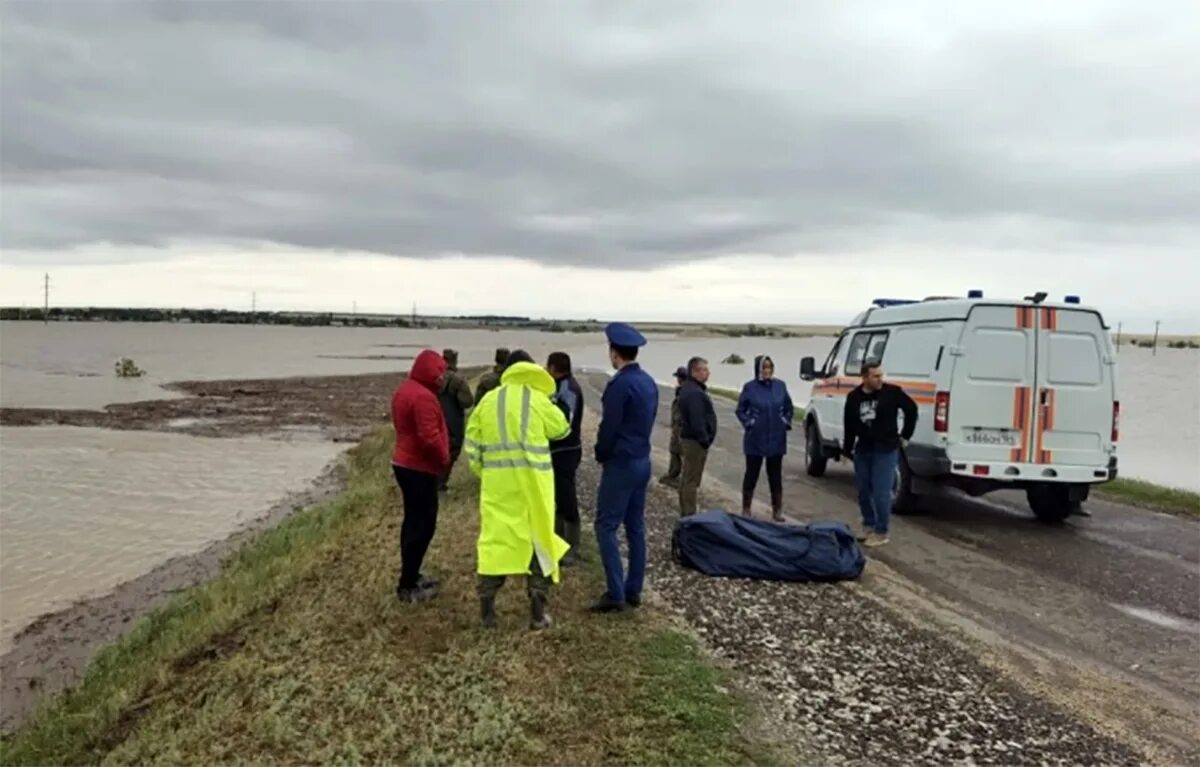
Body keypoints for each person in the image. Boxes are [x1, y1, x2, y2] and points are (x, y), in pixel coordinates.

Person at [465, 355, 571, 630]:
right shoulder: (538, 400)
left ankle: (487, 613)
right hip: (534, 487)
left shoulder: (488, 401)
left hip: (499, 488)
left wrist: (487, 473)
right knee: (538, 543)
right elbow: (561, 429)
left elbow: (473, 446)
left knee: (495, 543)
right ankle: (537, 614)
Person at [592, 322, 659, 613]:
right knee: (635, 527)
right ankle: (634, 589)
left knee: (605, 525)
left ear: (614, 353)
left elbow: (610, 427)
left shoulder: (620, 385)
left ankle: (615, 592)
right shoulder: (648, 382)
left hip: (621, 462)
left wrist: (601, 452)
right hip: (643, 458)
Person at [391, 349, 451, 602]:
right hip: (419, 467)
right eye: (439, 372)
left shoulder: (405, 389)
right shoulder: (423, 397)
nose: (442, 378)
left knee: (413, 523)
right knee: (423, 526)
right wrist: (443, 459)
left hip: (405, 462)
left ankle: (412, 575)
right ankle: (408, 585)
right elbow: (429, 437)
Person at [843, 362, 918, 548]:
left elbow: (911, 409)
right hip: (864, 448)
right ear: (865, 377)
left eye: (881, 375)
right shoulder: (854, 397)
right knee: (863, 490)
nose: (880, 379)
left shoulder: (892, 393)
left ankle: (881, 531)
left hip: (886, 447)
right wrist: (847, 449)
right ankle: (868, 525)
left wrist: (906, 435)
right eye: (875, 376)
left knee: (881, 491)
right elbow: (849, 424)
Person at [736, 355, 794, 521]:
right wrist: (750, 423)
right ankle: (746, 508)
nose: (767, 370)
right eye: (764, 367)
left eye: (769, 367)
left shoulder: (780, 386)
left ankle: (777, 510)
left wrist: (785, 422)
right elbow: (740, 410)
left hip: (776, 437)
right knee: (751, 474)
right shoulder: (750, 388)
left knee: (775, 475)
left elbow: (788, 407)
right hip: (755, 438)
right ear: (758, 369)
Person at [547, 351, 585, 566]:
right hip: (560, 450)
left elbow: (564, 422)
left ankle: (572, 547)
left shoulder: (568, 389)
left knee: (567, 497)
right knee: (558, 498)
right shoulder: (561, 385)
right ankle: (558, 541)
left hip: (567, 450)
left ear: (553, 368)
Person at [677, 356, 717, 517]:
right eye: (704, 370)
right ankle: (689, 513)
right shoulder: (693, 392)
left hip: (692, 440)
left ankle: (687, 511)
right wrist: (704, 439)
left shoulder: (691, 389)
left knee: (689, 478)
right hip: (694, 442)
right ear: (695, 372)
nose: (707, 373)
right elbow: (696, 419)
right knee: (691, 480)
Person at [437, 348, 473, 491]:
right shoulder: (458, 380)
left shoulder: (434, 377)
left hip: (434, 418)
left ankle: (433, 480)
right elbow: (467, 401)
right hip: (453, 422)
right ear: (455, 360)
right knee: (452, 452)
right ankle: (441, 482)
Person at [657, 366, 690, 487]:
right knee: (677, 451)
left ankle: (675, 475)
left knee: (677, 450)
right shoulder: (685, 390)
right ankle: (676, 474)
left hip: (681, 427)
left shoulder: (684, 392)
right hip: (680, 426)